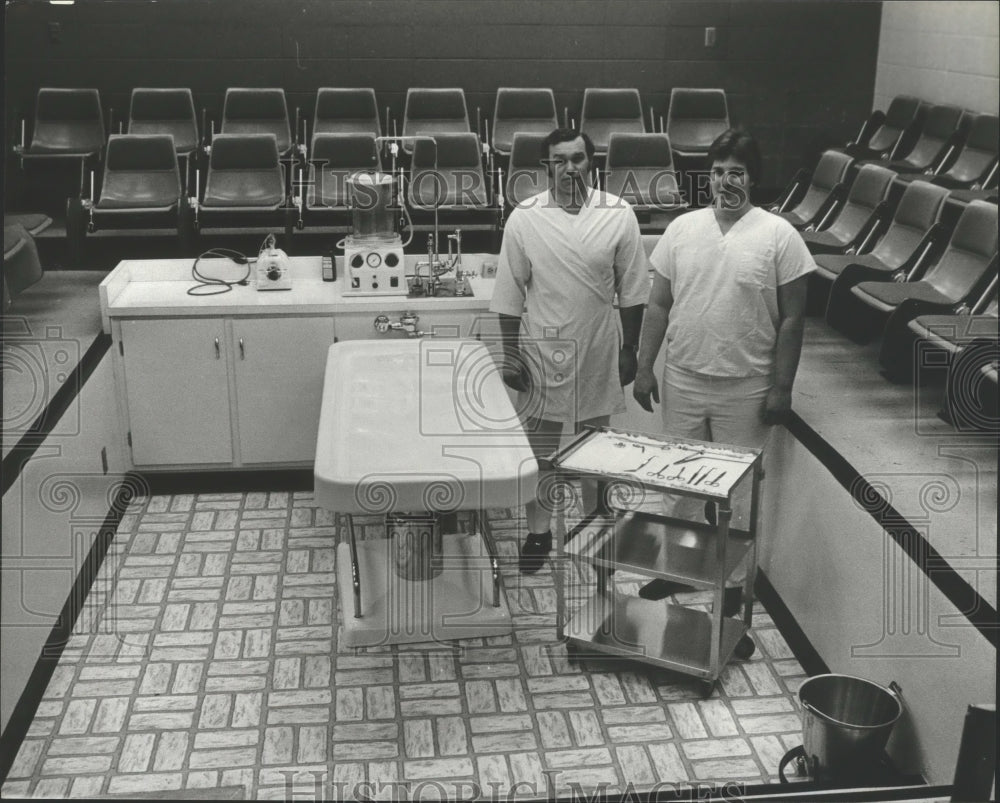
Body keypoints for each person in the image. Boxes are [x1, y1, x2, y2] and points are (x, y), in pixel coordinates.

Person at [632, 127, 815, 603]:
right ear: (707, 178)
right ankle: (674, 569)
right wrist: (644, 365)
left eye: (736, 171)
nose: (725, 181)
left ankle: (733, 587)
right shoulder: (681, 229)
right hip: (684, 378)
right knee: (677, 484)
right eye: (717, 172)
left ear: (752, 179)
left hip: (747, 387)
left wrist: (782, 387)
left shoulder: (780, 236)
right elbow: (657, 306)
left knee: (740, 492)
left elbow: (794, 318)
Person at [489, 128, 650, 573]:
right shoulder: (525, 217)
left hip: (599, 346)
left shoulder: (618, 214)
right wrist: (510, 354)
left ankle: (596, 532)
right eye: (558, 160)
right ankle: (538, 533)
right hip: (542, 348)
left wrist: (630, 349)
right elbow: (509, 294)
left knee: (594, 451)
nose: (568, 168)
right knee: (540, 453)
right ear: (547, 167)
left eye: (577, 158)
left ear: (590, 162)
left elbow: (633, 291)